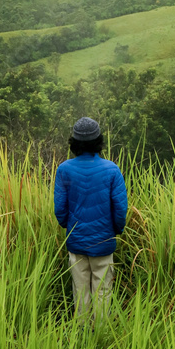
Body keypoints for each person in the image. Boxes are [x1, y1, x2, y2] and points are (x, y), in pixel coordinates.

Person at [53, 116, 128, 323]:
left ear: (74, 143)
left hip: (76, 241)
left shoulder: (64, 169)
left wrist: (70, 228)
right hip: (103, 242)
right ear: (98, 141)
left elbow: (60, 210)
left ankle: (82, 336)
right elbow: (120, 209)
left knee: (80, 290)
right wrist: (115, 230)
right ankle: (101, 336)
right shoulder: (112, 169)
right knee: (103, 291)